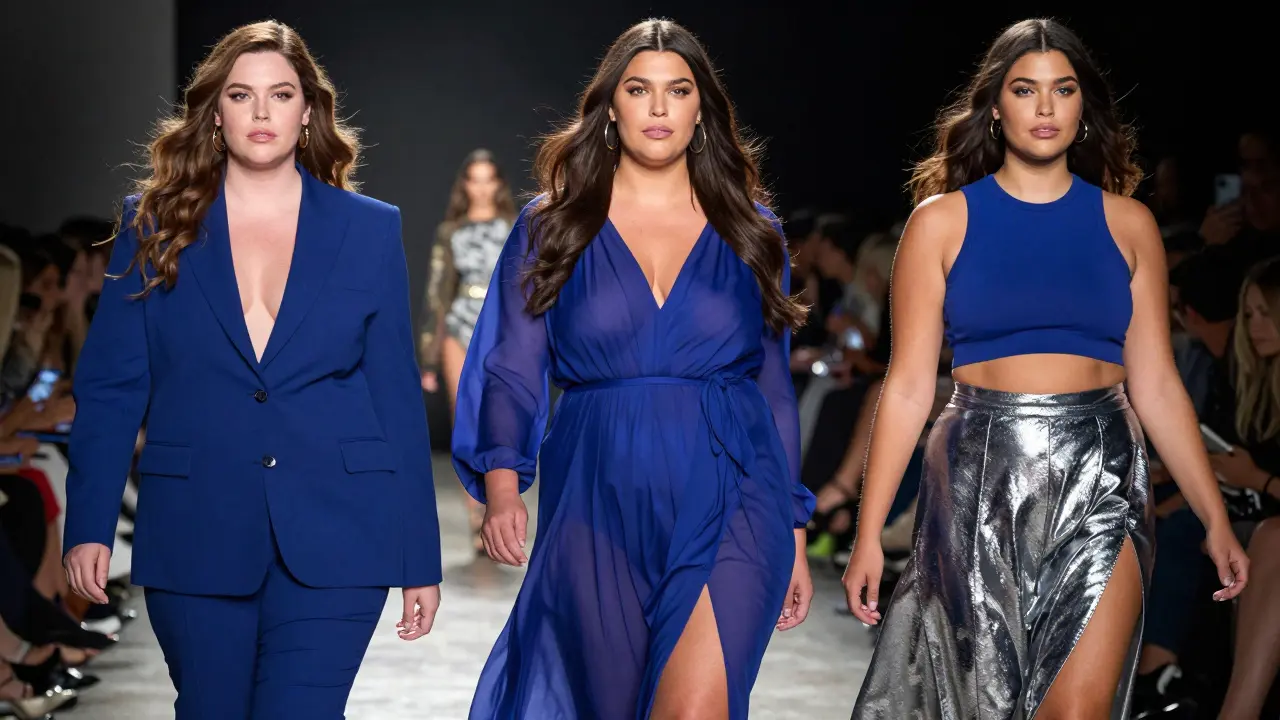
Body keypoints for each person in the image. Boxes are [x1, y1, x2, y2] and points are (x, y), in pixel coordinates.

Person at [844, 18, 1250, 720]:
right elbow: (908, 385)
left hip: (1103, 471)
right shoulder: (940, 223)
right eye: (1025, 90)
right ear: (996, 108)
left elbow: (1155, 381)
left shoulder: (1129, 225)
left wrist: (1214, 516)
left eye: (1062, 90)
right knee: (983, 704)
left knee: (1079, 707)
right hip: (977, 474)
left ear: (1082, 107)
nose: (1044, 107)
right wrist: (868, 534)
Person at [59, 20, 441, 718]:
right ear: (215, 113)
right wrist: (87, 523)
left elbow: (393, 399)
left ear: (307, 111)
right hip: (195, 527)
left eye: (281, 94)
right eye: (241, 94)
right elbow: (114, 388)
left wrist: (420, 557)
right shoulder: (152, 223)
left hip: (338, 534)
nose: (261, 112)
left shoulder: (368, 228)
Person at [452, 18, 815, 720]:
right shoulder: (552, 225)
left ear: (700, 108)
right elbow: (511, 365)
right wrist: (502, 483)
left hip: (735, 491)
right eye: (639, 89)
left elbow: (773, 392)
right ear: (610, 106)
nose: (658, 108)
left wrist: (795, 528)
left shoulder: (751, 229)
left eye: (677, 91)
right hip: (596, 497)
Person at [418, 148, 517, 553]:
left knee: (501, 422)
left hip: (503, 331)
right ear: (465, 184)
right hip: (459, 328)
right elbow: (437, 295)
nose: (480, 186)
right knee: (467, 423)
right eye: (472, 178)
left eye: (487, 177)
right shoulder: (450, 231)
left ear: (498, 183)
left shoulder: (516, 226)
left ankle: (499, 507)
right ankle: (477, 515)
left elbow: (526, 284)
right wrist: (428, 357)